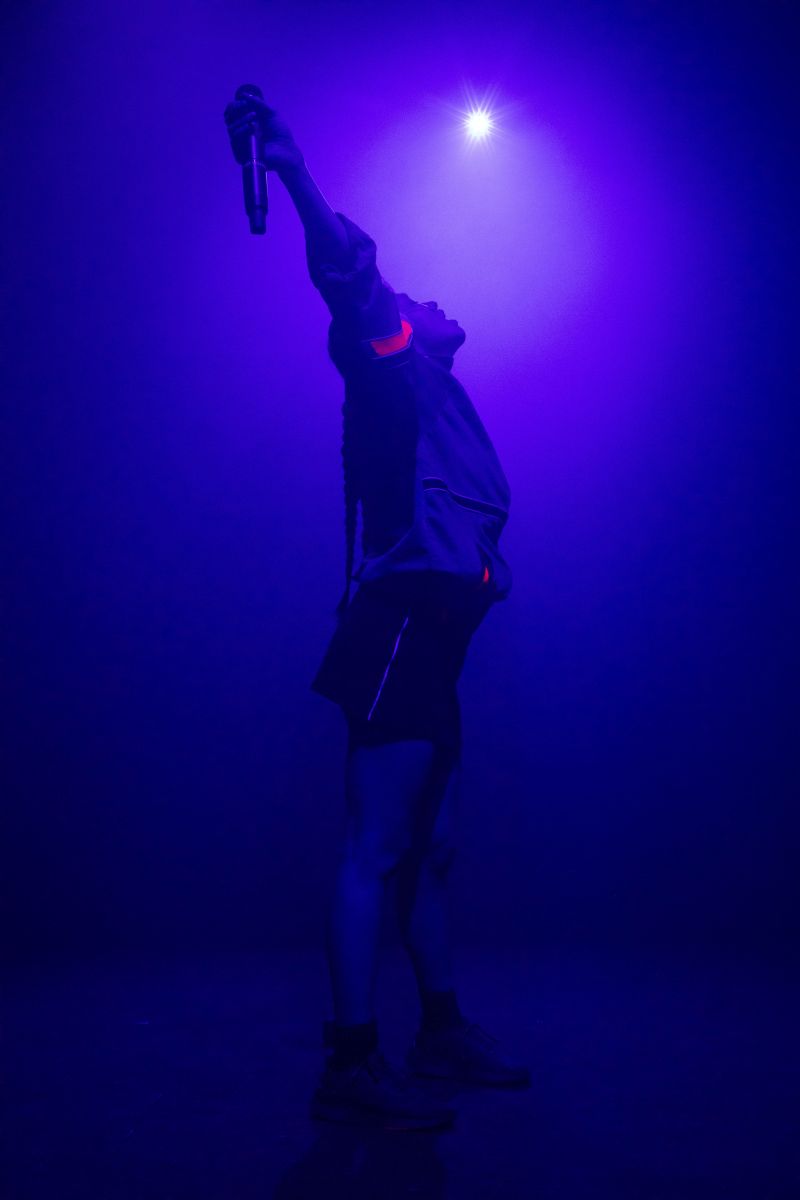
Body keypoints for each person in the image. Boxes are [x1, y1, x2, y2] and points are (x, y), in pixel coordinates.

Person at [224, 94, 530, 1131]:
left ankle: (439, 1031)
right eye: (415, 298)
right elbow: (349, 274)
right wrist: (293, 170)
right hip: (399, 622)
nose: (433, 299)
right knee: (374, 847)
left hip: (434, 637)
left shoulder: (431, 397)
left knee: (431, 850)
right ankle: (351, 1062)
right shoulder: (393, 364)